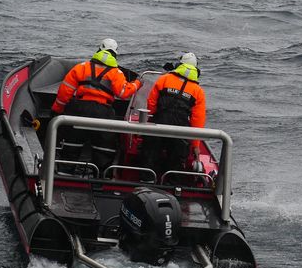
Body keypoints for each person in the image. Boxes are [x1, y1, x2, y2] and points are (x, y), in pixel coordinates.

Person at [52, 38, 142, 173]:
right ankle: (100, 177)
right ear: (115, 54)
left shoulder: (81, 67)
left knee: (72, 142)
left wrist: (56, 111)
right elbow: (123, 93)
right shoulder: (116, 73)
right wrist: (137, 84)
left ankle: (65, 172)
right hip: (103, 112)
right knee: (104, 147)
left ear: (99, 49)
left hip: (79, 109)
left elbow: (64, 92)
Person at [142, 52, 207, 176]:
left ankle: (146, 179)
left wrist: (151, 119)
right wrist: (195, 145)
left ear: (179, 65)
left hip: (159, 123)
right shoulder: (198, 91)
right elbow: (197, 120)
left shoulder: (164, 79)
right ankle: (172, 184)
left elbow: (151, 103)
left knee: (150, 153)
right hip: (180, 130)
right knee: (177, 160)